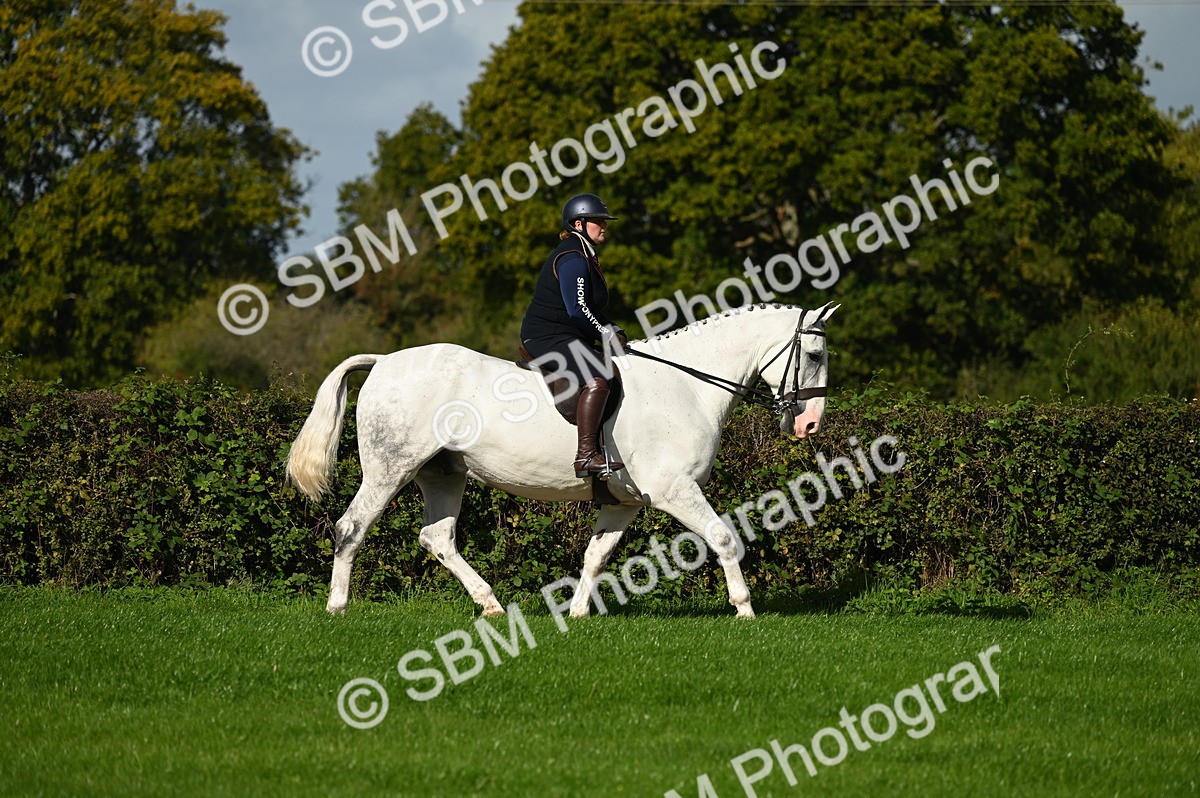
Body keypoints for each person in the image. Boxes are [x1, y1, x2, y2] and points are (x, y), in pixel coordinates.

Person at [520, 193, 629, 478]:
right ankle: (585, 457)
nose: (604, 226)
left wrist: (613, 329)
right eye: (597, 221)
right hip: (548, 336)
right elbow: (578, 310)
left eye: (604, 221)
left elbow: (589, 308)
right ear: (578, 224)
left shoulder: (583, 253)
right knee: (598, 379)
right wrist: (605, 333)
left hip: (566, 334)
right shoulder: (572, 258)